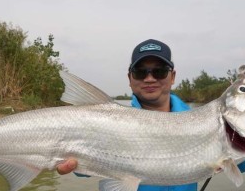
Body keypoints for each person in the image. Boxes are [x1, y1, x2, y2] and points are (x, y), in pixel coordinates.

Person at [56, 39, 245, 190]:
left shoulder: (200, 120)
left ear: (172, 76)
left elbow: (239, 164)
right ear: (129, 78)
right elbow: (81, 169)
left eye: (159, 71)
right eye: (140, 72)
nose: (149, 78)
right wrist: (80, 167)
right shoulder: (103, 121)